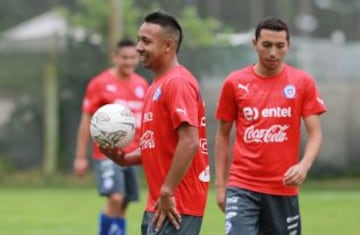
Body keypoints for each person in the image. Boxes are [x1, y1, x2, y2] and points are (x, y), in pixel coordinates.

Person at [214, 16, 327, 235]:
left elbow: (315, 134)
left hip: (283, 188)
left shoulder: (302, 82)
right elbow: (222, 136)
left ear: (289, 46)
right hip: (242, 185)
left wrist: (304, 165)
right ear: (254, 43)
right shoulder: (234, 83)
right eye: (266, 45)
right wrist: (221, 186)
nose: (273, 53)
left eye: (279, 46)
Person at [100, 11, 210, 235]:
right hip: (160, 201)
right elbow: (157, 145)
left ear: (168, 45)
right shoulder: (155, 86)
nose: (138, 47)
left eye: (146, 41)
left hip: (177, 203)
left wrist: (168, 191)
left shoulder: (178, 83)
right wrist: (126, 159)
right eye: (139, 39)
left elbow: (190, 142)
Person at [74, 39, 149, 235]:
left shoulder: (142, 84)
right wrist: (80, 157)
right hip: (106, 153)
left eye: (133, 57)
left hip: (132, 153)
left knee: (124, 202)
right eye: (124, 57)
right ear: (115, 57)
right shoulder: (100, 84)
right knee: (115, 198)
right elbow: (86, 121)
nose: (129, 62)